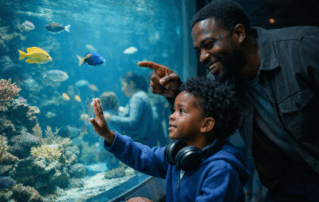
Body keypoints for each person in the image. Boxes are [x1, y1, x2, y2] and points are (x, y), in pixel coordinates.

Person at [138, 0, 319, 201]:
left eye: (209, 45)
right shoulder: (219, 79)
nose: (203, 57)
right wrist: (175, 93)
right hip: (288, 182)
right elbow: (198, 120)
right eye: (198, 50)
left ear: (239, 34)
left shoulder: (305, 47)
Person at [90, 76, 250, 202]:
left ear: (206, 124)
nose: (172, 116)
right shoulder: (177, 156)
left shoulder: (221, 172)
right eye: (174, 110)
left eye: (181, 111)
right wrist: (108, 135)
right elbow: (143, 155)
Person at [103, 72, 157, 147]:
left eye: (123, 85)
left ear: (131, 83)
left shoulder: (137, 98)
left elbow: (133, 121)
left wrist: (111, 118)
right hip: (146, 143)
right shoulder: (142, 95)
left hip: (140, 144)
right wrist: (124, 111)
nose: (122, 89)